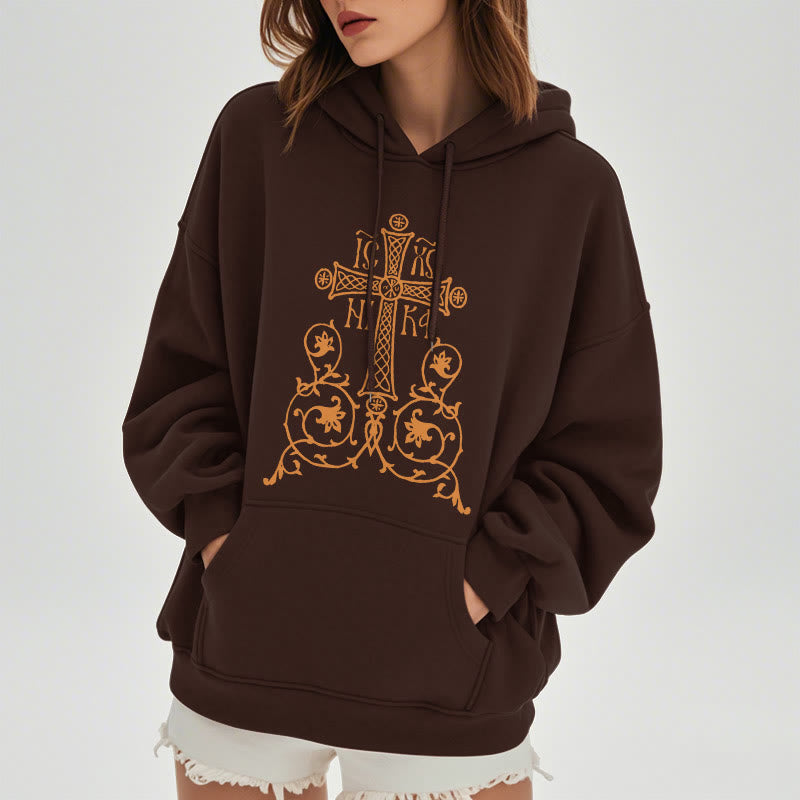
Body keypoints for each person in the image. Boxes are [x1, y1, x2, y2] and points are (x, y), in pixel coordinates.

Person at [121, 1, 663, 797]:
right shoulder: (259, 138)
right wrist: (232, 549)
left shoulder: (571, 192)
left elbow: (606, 455)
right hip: (244, 666)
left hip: (451, 692)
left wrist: (474, 590)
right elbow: (182, 380)